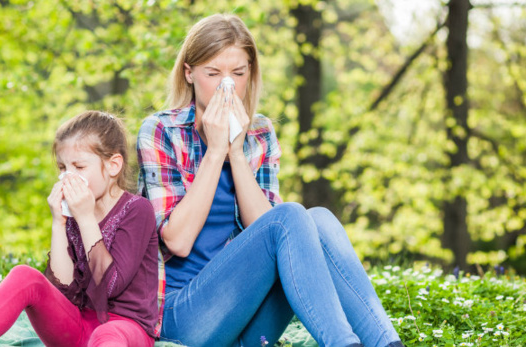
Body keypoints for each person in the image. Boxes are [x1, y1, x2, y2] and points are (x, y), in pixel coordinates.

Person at [137, 14, 404, 347]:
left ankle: (387, 343)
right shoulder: (161, 131)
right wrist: (216, 149)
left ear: (251, 73)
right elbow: (177, 241)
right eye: (213, 74)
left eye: (238, 73)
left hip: (247, 317)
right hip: (185, 315)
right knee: (293, 215)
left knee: (317, 219)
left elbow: (271, 234)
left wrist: (235, 152)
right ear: (189, 74)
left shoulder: (259, 133)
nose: (227, 86)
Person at [0, 111, 160, 347]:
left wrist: (85, 218)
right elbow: (63, 291)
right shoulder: (75, 215)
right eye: (62, 168)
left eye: (79, 167)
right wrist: (58, 223)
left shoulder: (137, 210)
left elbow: (110, 285)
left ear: (113, 165)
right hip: (78, 327)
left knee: (109, 335)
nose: (67, 177)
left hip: (126, 329)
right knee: (25, 275)